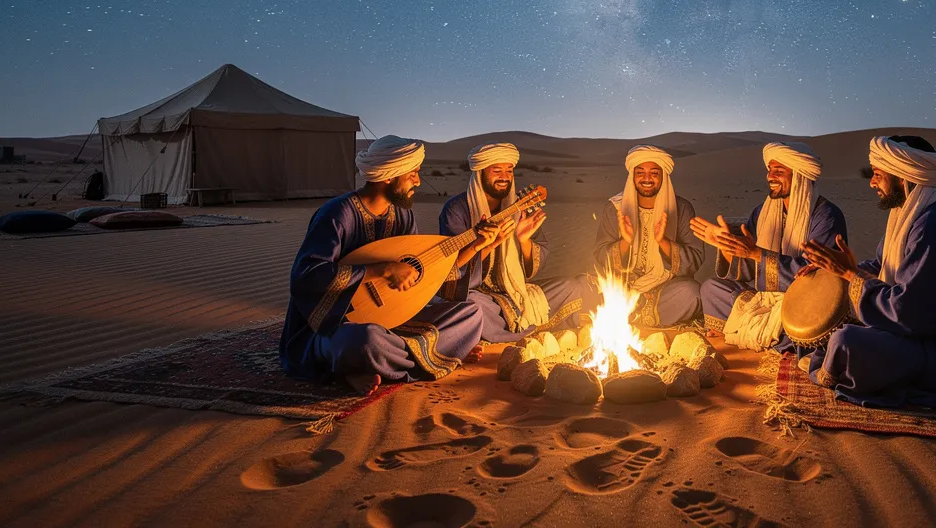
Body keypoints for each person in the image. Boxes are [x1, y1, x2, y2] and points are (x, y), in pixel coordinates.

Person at [800, 135, 936, 408]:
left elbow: (910, 313)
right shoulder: (911, 215)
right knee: (835, 330)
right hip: (922, 334)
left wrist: (850, 276)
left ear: (903, 176)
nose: (872, 182)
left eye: (878, 174)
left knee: (847, 341)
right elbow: (883, 266)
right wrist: (833, 270)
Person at [278, 136, 483, 396]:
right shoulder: (338, 214)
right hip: (338, 322)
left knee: (472, 313)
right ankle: (432, 354)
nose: (418, 181)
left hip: (393, 317)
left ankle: (388, 361)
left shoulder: (403, 214)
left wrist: (477, 245)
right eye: (413, 174)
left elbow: (423, 274)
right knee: (364, 341)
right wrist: (380, 269)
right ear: (389, 176)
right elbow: (306, 276)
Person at [691, 141, 847, 350]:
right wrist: (729, 249)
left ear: (800, 175)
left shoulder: (826, 216)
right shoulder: (762, 212)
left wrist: (756, 254)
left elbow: (813, 278)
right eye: (770, 170)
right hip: (765, 298)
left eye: (779, 171)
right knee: (711, 288)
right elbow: (748, 272)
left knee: (803, 328)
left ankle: (746, 330)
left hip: (805, 302)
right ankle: (760, 333)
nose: (770, 176)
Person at [438, 142, 595, 342]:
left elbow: (532, 269)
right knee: (471, 306)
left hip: (514, 291)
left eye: (509, 170)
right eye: (497, 170)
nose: (504, 177)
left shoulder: (519, 207)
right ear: (480, 173)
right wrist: (486, 245)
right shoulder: (456, 209)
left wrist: (524, 241)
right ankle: (525, 332)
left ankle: (510, 330)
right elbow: (452, 269)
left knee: (572, 286)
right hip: (479, 294)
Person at [592, 145, 704, 328]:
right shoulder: (615, 208)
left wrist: (664, 242)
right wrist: (625, 243)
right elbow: (600, 256)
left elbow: (695, 259)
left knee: (692, 293)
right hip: (622, 286)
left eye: (654, 173)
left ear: (663, 176)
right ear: (632, 176)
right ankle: (634, 316)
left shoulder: (681, 208)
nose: (646, 179)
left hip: (664, 288)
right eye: (640, 172)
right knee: (583, 289)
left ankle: (630, 317)